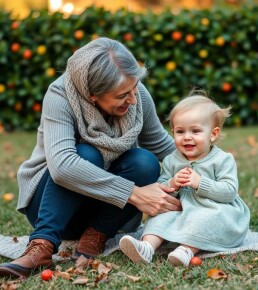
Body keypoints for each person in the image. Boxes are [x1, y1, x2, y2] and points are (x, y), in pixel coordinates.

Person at [0, 37, 182, 278]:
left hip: (106, 213)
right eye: (122, 95)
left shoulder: (134, 93)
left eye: (134, 88)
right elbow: (63, 167)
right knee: (86, 154)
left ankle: (95, 237)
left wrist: (205, 171)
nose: (133, 99)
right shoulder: (60, 96)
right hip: (53, 208)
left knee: (144, 161)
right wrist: (134, 194)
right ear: (92, 94)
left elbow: (161, 145)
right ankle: (41, 246)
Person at [119, 90, 250, 266]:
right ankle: (146, 248)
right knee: (159, 218)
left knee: (204, 219)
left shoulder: (222, 159)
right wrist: (172, 184)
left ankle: (186, 250)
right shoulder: (171, 160)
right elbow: (161, 188)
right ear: (173, 132)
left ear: (213, 134)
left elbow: (229, 192)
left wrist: (200, 183)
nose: (187, 137)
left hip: (214, 210)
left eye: (195, 131)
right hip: (182, 210)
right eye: (180, 132)